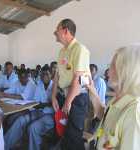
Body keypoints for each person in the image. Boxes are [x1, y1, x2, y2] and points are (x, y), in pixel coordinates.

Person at [87, 44, 140, 150]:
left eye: (111, 66)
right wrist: (91, 88)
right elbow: (105, 115)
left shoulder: (133, 111)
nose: (108, 72)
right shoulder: (116, 99)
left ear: (124, 71)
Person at [52, 19, 90, 150]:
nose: (54, 33)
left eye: (57, 29)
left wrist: (68, 102)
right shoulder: (62, 51)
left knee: (73, 136)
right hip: (65, 96)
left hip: (76, 98)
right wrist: (53, 96)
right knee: (64, 134)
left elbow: (78, 78)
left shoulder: (79, 49)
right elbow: (57, 75)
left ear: (65, 30)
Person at [4, 66, 54, 150]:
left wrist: (43, 105)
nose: (44, 76)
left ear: (51, 75)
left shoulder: (55, 86)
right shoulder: (39, 85)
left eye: (47, 74)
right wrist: (45, 104)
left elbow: (54, 105)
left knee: (33, 127)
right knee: (20, 120)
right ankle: (4, 146)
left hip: (50, 115)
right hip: (37, 112)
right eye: (42, 74)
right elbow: (36, 103)